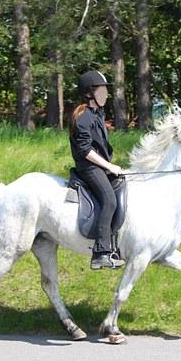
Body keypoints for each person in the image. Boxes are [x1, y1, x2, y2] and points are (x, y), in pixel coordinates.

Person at [69, 70, 126, 270]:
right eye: (102, 90)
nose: (106, 94)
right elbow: (85, 150)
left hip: (99, 165)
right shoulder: (83, 117)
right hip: (89, 167)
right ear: (89, 93)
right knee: (109, 199)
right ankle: (101, 252)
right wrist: (109, 166)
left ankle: (115, 245)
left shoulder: (97, 115)